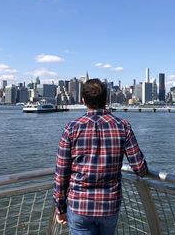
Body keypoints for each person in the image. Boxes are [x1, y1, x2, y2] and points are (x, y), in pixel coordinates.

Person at [53, 78, 148, 235]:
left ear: (83, 100)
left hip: (79, 206)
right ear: (105, 99)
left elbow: (61, 174)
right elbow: (140, 168)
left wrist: (60, 208)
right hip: (109, 206)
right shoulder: (123, 126)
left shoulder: (72, 128)